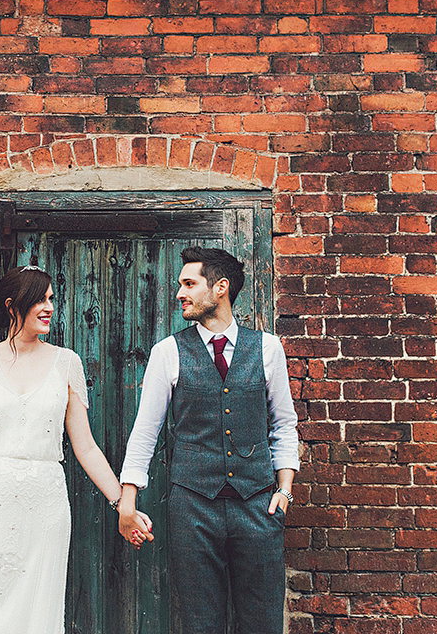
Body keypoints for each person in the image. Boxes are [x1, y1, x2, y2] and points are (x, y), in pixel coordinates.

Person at [0, 265, 152, 634]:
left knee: (34, 611)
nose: (49, 307)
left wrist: (121, 503)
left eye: (51, 299)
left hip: (43, 503)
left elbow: (86, 446)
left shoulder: (67, 363)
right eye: (40, 300)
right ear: (13, 306)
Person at [117, 247, 299, 634]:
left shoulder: (267, 349)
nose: (179, 293)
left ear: (220, 288)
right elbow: (145, 431)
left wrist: (284, 491)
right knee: (201, 623)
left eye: (188, 284)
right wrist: (127, 502)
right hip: (193, 508)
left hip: (259, 505)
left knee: (263, 622)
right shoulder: (168, 352)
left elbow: (284, 424)